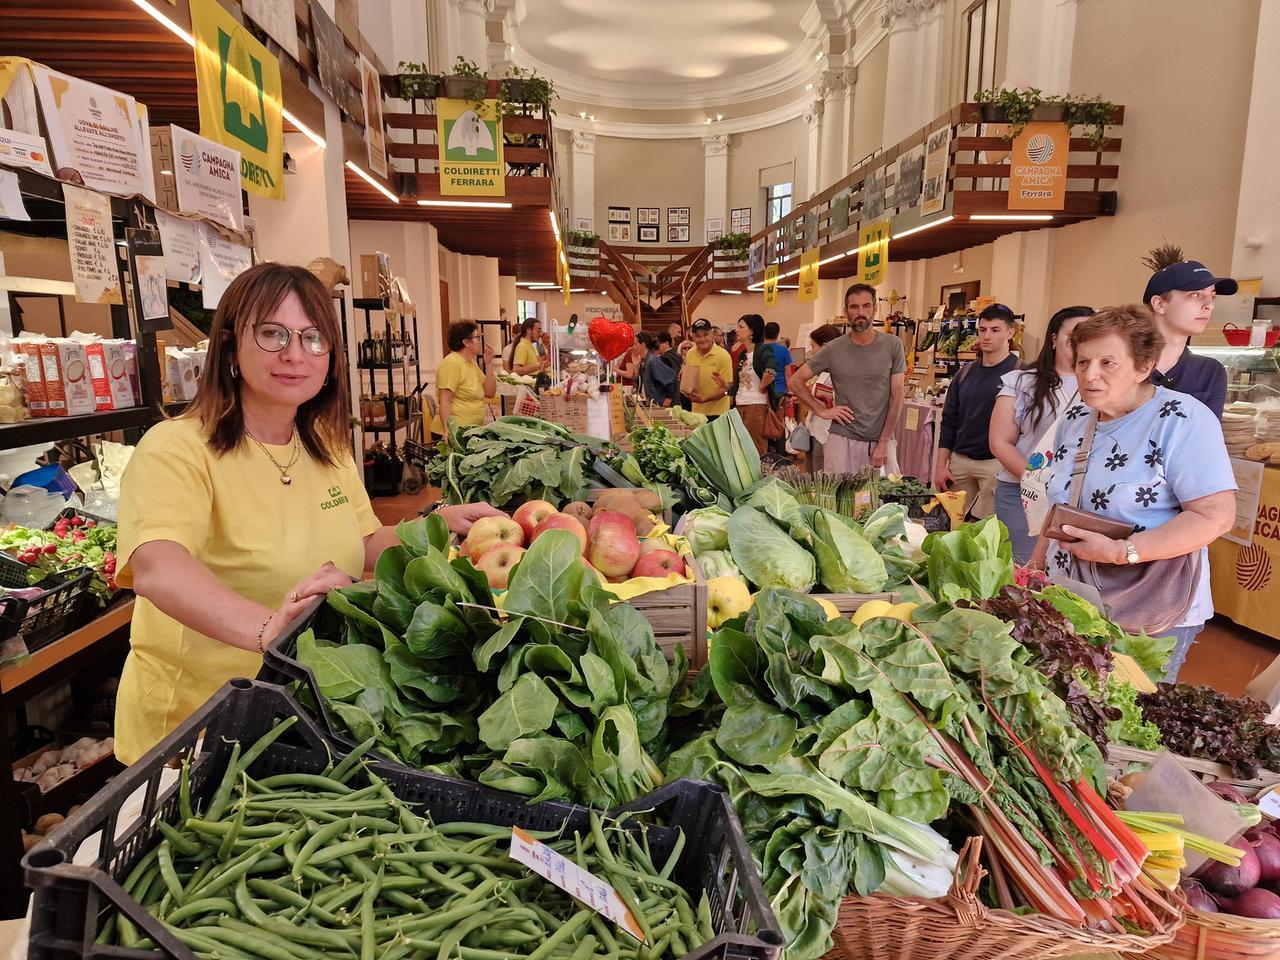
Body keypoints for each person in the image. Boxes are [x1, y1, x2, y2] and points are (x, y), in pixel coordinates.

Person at [112, 263, 398, 765]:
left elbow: (364, 541)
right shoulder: (177, 448)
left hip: (296, 714)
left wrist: (449, 531)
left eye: (313, 338)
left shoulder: (325, 446)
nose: (294, 354)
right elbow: (158, 568)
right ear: (230, 346)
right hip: (196, 731)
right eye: (272, 333)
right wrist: (270, 629)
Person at [1040, 305, 1235, 681]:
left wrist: (1120, 551)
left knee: (1130, 709)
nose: (1090, 374)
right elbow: (1060, 506)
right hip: (1072, 596)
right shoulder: (1077, 418)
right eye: (1083, 362)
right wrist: (1035, 570)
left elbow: (1215, 515)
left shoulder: (1181, 419)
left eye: (1107, 363)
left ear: (1143, 366)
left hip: (1148, 608)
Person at [989, 306, 1093, 563]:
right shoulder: (1022, 381)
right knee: (1022, 571)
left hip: (1080, 501)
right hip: (1023, 493)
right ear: (1054, 338)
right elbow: (1000, 442)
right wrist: (1038, 483)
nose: (1083, 339)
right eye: (1075, 332)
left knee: (1065, 573)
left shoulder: (1101, 384)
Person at [790, 283, 906, 471]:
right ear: (846, 311)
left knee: (883, 490)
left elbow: (898, 396)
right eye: (854, 307)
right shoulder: (833, 349)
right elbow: (796, 381)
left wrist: (884, 441)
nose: (860, 312)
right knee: (837, 490)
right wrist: (822, 411)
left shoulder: (893, 345)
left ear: (875, 309)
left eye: (866, 306)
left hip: (881, 440)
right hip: (842, 438)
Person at [934, 303, 1020, 518]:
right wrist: (940, 465)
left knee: (989, 528)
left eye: (995, 330)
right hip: (960, 461)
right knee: (947, 523)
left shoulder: (1022, 374)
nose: (987, 336)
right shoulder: (964, 374)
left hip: (997, 464)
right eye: (982, 330)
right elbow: (949, 421)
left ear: (1010, 332)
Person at [1143, 259, 1237, 417]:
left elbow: (1207, 431)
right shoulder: (1124, 364)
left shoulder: (1210, 372)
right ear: (1159, 304)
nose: (1210, 306)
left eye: (1212, 296)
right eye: (1196, 295)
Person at [431, 320, 497, 439]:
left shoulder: (471, 363)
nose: (480, 341)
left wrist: (489, 364)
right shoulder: (452, 363)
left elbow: (490, 392)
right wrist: (448, 431)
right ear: (466, 342)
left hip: (470, 430)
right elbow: (445, 400)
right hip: (455, 432)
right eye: (477, 337)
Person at [721, 314, 776, 454]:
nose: (736, 330)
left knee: (755, 446)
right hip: (740, 404)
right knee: (740, 446)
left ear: (751, 331)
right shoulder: (742, 355)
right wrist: (724, 385)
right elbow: (740, 383)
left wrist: (762, 385)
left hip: (756, 405)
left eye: (741, 327)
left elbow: (771, 370)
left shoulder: (763, 350)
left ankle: (759, 468)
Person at [803, 323, 842, 473]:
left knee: (821, 474)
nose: (812, 351)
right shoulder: (824, 370)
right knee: (811, 474)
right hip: (815, 429)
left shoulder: (839, 371)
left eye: (813, 346)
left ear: (825, 346)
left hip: (825, 431)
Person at [682, 318, 732, 419]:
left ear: (712, 335)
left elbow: (727, 388)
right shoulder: (690, 354)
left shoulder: (723, 355)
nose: (702, 339)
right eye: (698, 336)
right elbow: (689, 382)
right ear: (693, 336)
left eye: (705, 335)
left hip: (719, 413)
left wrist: (705, 399)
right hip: (697, 413)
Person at [637, 332, 678, 406]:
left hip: (660, 403)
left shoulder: (653, 361)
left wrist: (669, 398)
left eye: (635, 344)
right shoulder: (645, 361)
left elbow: (670, 377)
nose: (633, 347)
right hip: (652, 403)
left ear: (643, 345)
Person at [763, 322, 793, 399]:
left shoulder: (758, 350)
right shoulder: (784, 350)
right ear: (777, 334)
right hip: (780, 389)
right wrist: (790, 391)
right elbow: (788, 374)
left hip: (763, 389)